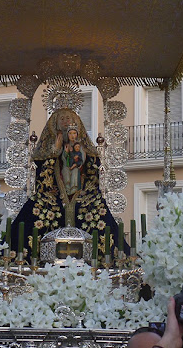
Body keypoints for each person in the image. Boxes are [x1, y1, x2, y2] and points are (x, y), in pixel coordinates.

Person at [11, 108, 127, 259]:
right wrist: (55, 151)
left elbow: (93, 175)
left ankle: (106, 259)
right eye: (62, 119)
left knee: (99, 208)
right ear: (55, 125)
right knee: (35, 208)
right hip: (51, 196)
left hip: (83, 195)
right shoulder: (46, 152)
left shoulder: (86, 151)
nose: (66, 122)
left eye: (69, 119)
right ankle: (25, 258)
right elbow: (41, 177)